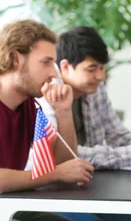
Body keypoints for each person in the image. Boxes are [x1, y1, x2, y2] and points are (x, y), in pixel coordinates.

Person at [34, 26, 131, 221]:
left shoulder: (95, 90)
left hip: (90, 187)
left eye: (102, 68)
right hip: (53, 192)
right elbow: (67, 159)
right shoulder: (47, 95)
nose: (100, 76)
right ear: (65, 67)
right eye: (92, 69)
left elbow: (115, 133)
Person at [0, 20, 94, 221]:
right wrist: (55, 174)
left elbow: (64, 163)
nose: (53, 73)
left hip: (7, 205)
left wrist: (64, 111)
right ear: (16, 58)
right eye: (46, 62)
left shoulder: (29, 106)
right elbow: (59, 172)